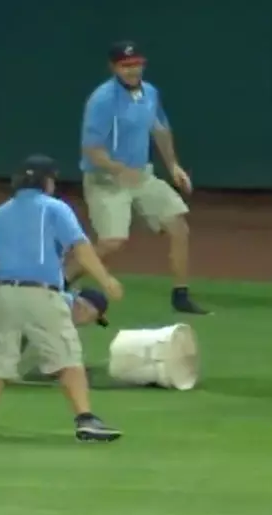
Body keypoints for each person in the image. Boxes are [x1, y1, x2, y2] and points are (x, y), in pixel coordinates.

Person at [0, 154, 124, 442]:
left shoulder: (0, 213)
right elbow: (82, 249)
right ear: (47, 181)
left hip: (4, 294)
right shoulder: (55, 208)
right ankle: (85, 419)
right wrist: (105, 279)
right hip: (42, 295)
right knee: (67, 358)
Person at [76, 40, 208, 314]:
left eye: (137, 64)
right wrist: (120, 170)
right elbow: (92, 150)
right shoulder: (102, 100)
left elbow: (159, 129)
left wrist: (173, 166)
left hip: (142, 177)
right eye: (126, 66)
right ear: (113, 68)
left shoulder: (150, 93)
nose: (133, 70)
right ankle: (61, 280)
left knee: (178, 227)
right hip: (106, 181)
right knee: (112, 243)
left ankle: (180, 295)